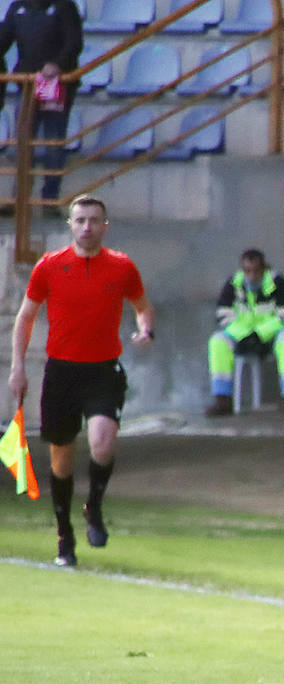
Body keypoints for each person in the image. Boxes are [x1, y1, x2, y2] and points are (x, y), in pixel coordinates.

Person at [7, 197, 154, 568]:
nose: (87, 227)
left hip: (103, 370)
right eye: (80, 220)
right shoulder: (50, 266)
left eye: (94, 220)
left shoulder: (122, 267)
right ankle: (64, 536)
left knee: (102, 444)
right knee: (61, 459)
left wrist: (146, 329)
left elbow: (142, 306)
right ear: (70, 225)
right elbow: (25, 318)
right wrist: (18, 366)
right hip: (61, 373)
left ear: (105, 225)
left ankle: (95, 508)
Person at [0, 0, 83, 216]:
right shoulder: (18, 6)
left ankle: (49, 200)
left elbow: (74, 43)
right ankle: (19, 198)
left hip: (57, 85)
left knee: (53, 144)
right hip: (26, 84)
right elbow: (3, 39)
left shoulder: (65, 6)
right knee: (23, 142)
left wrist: (57, 64)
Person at [204, 249, 284, 418]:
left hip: (273, 335)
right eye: (246, 271)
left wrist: (260, 334)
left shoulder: (279, 283)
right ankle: (222, 400)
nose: (250, 276)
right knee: (218, 340)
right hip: (244, 337)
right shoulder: (233, 284)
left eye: (255, 271)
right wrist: (245, 336)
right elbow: (223, 316)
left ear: (264, 269)